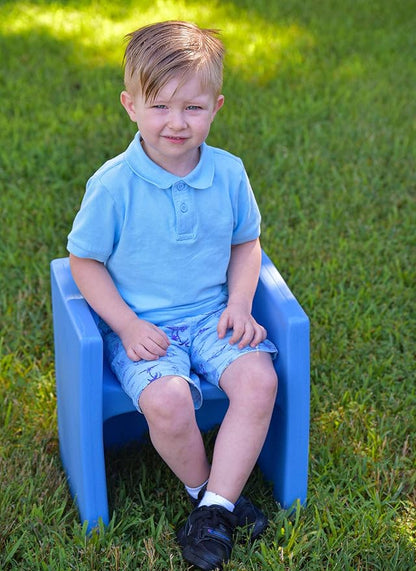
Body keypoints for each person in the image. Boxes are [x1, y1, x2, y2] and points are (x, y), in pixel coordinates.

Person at [67, 20, 278, 571]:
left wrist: (239, 305)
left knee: (259, 381)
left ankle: (213, 512)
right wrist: (128, 326)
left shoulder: (229, 173)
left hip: (213, 313)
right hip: (142, 322)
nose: (177, 124)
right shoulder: (113, 184)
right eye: (159, 107)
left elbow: (246, 243)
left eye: (194, 108)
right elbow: (83, 262)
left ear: (217, 106)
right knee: (167, 401)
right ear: (130, 106)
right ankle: (208, 494)